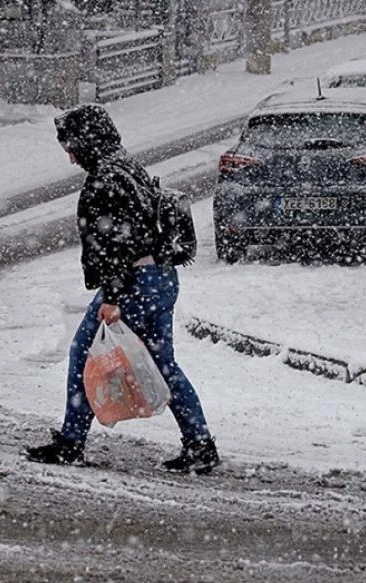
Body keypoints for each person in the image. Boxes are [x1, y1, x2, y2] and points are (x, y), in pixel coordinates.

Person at [24, 104, 220, 474]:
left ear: (86, 141)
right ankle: (200, 443)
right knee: (163, 364)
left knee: (84, 353)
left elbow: (115, 242)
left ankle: (71, 443)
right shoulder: (128, 167)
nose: (70, 158)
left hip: (132, 284)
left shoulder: (106, 177)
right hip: (160, 279)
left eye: (71, 148)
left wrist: (112, 297)